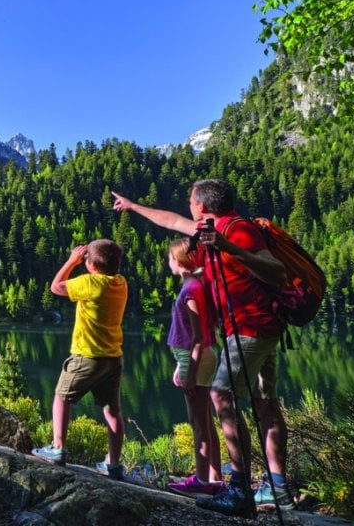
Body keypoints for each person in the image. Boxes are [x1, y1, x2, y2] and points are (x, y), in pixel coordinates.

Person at [112, 180, 291, 517]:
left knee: (222, 394)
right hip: (260, 328)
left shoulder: (237, 231)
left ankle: (240, 490)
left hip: (251, 328)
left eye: (190, 202)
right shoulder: (210, 229)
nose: (188, 208)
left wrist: (229, 248)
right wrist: (133, 206)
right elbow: (169, 220)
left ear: (202, 205)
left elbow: (277, 273)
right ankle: (277, 485)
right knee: (264, 401)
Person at [32, 239, 128, 480]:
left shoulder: (90, 283)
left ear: (92, 265)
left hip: (87, 355)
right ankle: (113, 464)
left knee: (62, 397)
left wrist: (72, 261)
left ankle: (58, 449)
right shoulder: (120, 282)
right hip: (113, 357)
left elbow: (56, 287)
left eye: (86, 260)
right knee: (112, 410)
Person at [164, 237, 223, 496]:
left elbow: (198, 337)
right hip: (192, 358)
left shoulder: (191, 291)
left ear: (178, 261)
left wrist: (188, 373)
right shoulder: (197, 286)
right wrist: (182, 365)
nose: (168, 262)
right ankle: (214, 477)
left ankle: (201, 481)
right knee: (206, 422)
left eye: (169, 258)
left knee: (199, 422)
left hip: (196, 358)